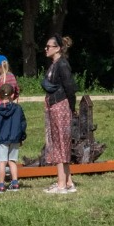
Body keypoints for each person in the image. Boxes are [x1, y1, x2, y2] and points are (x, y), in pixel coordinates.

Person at [42, 35, 77, 194]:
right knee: (58, 143)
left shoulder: (62, 64)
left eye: (49, 46)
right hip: (54, 105)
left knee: (61, 144)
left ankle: (61, 184)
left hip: (61, 106)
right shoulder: (54, 64)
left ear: (57, 48)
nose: (46, 48)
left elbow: (70, 87)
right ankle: (69, 182)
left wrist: (71, 106)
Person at [0, 83, 26, 193]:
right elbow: (23, 124)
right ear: (13, 95)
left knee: (2, 162)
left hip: (1, 139)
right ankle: (15, 184)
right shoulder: (18, 109)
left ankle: (1, 185)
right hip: (15, 138)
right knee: (12, 161)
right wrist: (21, 137)